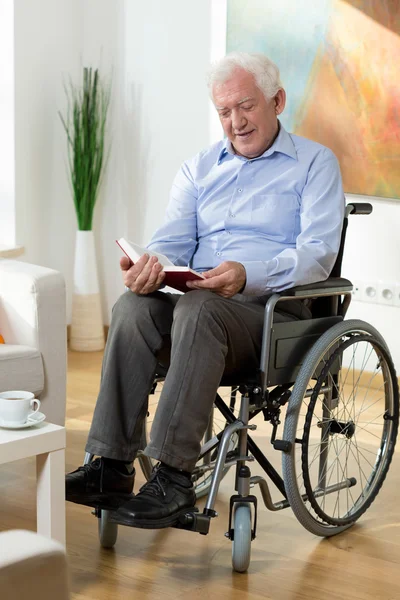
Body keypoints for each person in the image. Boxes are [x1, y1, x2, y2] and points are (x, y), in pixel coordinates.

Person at [66, 51, 345, 529]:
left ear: (276, 101)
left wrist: (247, 272)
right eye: (224, 111)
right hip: (197, 314)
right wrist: (148, 262)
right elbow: (173, 238)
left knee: (199, 308)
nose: (235, 122)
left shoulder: (315, 164)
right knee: (133, 306)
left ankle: (173, 477)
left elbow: (317, 255)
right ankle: (110, 466)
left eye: (246, 106)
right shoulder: (198, 169)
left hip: (271, 316)